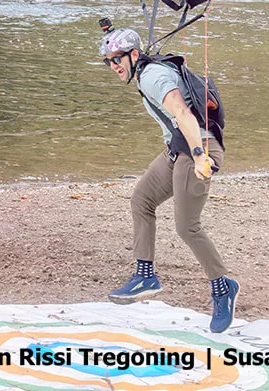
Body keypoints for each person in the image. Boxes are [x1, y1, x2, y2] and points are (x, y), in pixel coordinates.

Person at [100, 27, 238, 333]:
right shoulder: (145, 73)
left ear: (134, 55)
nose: (113, 66)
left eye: (117, 59)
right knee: (142, 199)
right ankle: (145, 275)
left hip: (196, 149)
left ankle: (223, 287)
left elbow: (182, 112)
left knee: (187, 227)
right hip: (178, 150)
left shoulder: (151, 76)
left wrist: (201, 156)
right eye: (108, 62)